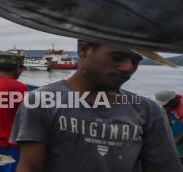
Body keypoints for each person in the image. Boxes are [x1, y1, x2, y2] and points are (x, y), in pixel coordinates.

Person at [11, 40, 183, 172]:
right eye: (117, 57)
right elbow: (30, 167)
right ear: (84, 49)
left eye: (135, 61)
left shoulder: (149, 111)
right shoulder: (41, 102)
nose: (128, 67)